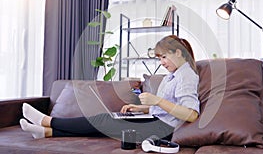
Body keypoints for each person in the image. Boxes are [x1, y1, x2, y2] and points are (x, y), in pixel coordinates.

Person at [20, 35, 200, 141]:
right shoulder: (172, 76)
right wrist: (142, 107)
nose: (161, 63)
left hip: (164, 130)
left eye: (164, 58)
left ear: (178, 53)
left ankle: (48, 121)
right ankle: (46, 132)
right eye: (159, 58)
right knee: (106, 122)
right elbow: (168, 106)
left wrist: (157, 101)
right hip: (157, 122)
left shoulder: (187, 75)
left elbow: (191, 114)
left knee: (104, 121)